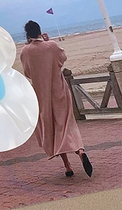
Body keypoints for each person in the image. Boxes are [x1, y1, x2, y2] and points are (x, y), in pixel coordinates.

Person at [20, 20, 93, 178]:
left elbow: (28, 72)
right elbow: (62, 58)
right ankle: (79, 150)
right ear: (40, 31)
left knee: (51, 127)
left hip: (42, 94)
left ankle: (67, 166)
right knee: (66, 124)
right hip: (59, 90)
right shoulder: (51, 46)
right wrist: (48, 42)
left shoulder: (26, 51)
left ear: (27, 33)